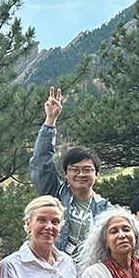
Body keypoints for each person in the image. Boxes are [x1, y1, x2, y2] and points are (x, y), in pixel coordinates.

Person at [29, 87, 111, 256]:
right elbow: (40, 162)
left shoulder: (105, 210)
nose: (81, 174)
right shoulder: (53, 194)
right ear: (65, 173)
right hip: (52, 267)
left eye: (87, 170)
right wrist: (50, 120)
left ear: (97, 174)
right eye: (74, 169)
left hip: (86, 275)